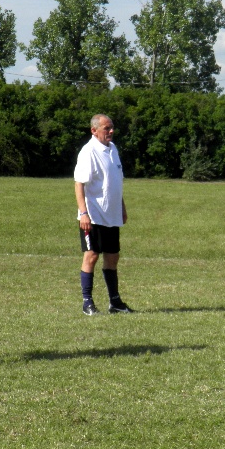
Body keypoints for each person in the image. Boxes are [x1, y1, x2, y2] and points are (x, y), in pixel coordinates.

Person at [74, 113, 133, 315]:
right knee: (91, 256)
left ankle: (115, 302)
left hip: (112, 215)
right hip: (94, 215)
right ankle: (87, 302)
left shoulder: (113, 149)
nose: (111, 131)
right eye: (107, 128)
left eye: (112, 127)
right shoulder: (88, 152)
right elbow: (79, 184)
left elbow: (116, 182)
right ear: (94, 130)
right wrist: (83, 213)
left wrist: (121, 207)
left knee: (113, 256)